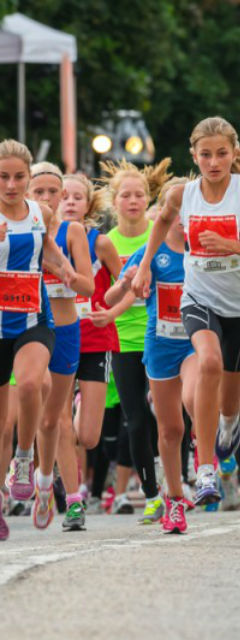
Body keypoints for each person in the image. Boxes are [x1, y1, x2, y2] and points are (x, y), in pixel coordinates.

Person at [131, 116, 240, 506]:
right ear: (194, 156)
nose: (214, 162)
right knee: (208, 362)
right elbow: (161, 223)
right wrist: (147, 263)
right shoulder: (183, 195)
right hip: (198, 298)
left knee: (230, 400)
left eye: (221, 154)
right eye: (205, 155)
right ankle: (204, 469)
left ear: (234, 154)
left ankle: (229, 424)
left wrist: (232, 245)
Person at [106, 177, 198, 533]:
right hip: (160, 345)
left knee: (193, 395)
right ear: (164, 213)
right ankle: (174, 500)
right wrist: (127, 279)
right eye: (174, 211)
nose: (181, 218)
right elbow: (112, 298)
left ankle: (204, 466)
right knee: (170, 426)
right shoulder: (150, 252)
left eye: (187, 211)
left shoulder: (202, 250)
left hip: (195, 341)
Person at [1, 139, 76, 533]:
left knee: (31, 384)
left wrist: (66, 269)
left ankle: (26, 457)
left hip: (33, 320)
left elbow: (47, 249)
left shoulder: (39, 212)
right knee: (0, 425)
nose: (11, 185)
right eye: (3, 177)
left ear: (28, 179)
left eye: (18, 177)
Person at [103, 159, 172, 522]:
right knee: (136, 419)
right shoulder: (108, 243)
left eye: (139, 194)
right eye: (125, 195)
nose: (133, 200)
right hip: (124, 340)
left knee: (169, 412)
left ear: (149, 199)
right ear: (114, 202)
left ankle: (180, 473)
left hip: (163, 332)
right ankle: (151, 493)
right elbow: (111, 292)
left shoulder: (158, 234)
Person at [29, 163, 95, 532]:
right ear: (28, 195)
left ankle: (68, 499)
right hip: (29, 326)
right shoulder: (19, 230)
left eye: (54, 192)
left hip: (66, 330)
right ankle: (30, 482)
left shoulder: (74, 231)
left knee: (57, 419)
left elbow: (87, 287)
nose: (48, 199)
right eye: (39, 192)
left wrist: (65, 272)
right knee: (17, 415)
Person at [58, 173, 123, 529]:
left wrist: (111, 311)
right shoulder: (43, 239)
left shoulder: (100, 243)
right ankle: (73, 497)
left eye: (76, 197)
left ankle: (81, 403)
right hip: (58, 339)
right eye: (63, 196)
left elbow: (129, 281)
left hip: (96, 341)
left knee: (89, 436)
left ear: (89, 204)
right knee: (59, 423)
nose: (68, 202)